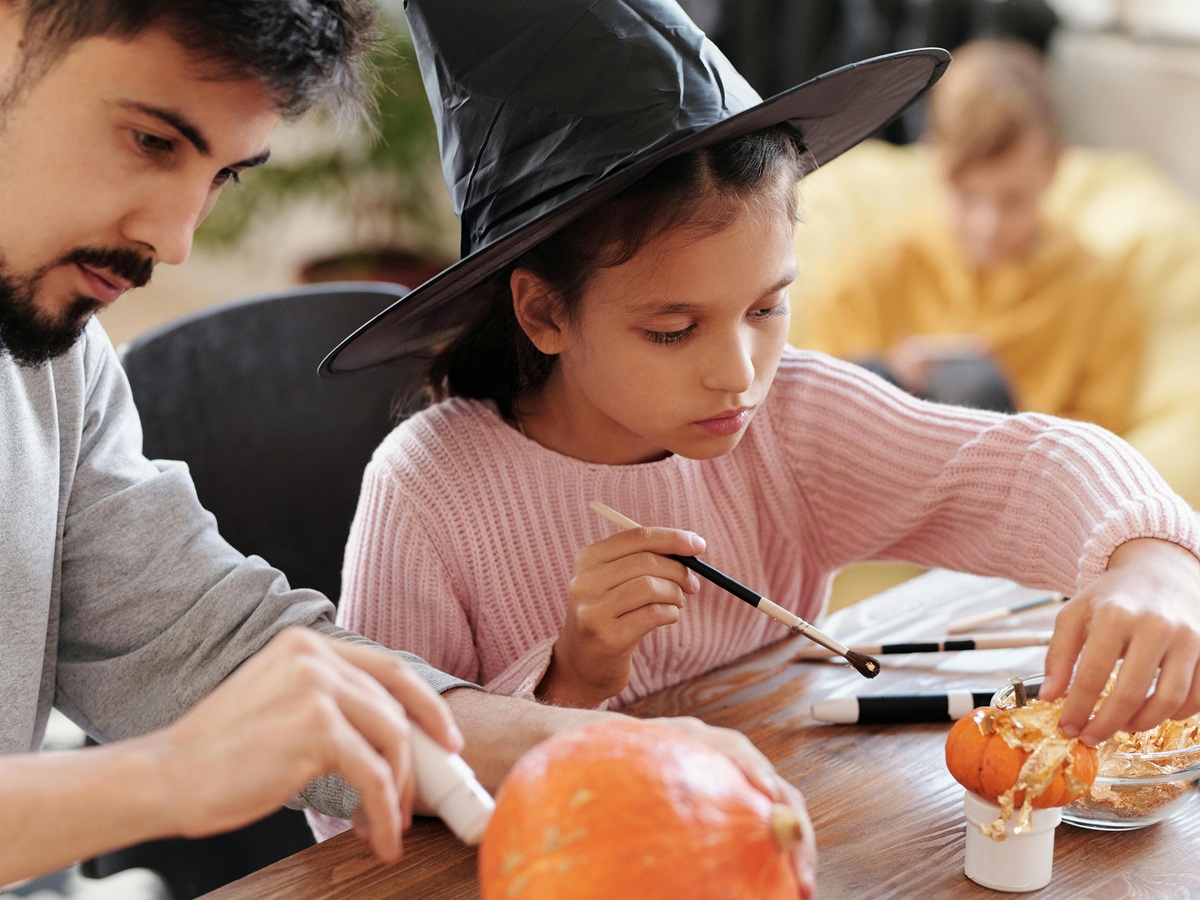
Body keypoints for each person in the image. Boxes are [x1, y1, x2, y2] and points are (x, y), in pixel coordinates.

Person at [311, 0, 1200, 845]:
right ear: (544, 315)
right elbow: (360, 801)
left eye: (768, 309)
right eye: (672, 329)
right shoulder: (428, 490)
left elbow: (1020, 467)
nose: (738, 375)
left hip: (784, 838)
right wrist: (569, 680)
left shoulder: (793, 418)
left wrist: (1152, 563)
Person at [0, 1, 814, 891]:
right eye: (152, 141)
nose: (175, 238)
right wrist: (169, 779)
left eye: (223, 176)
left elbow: (200, 643)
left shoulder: (59, 364)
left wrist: (604, 747)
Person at [797, 39, 1145, 433]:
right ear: (933, 159)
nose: (988, 225)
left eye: (1013, 200)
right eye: (966, 197)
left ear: (1054, 167)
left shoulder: (1101, 294)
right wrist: (892, 382)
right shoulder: (867, 279)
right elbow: (814, 422)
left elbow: (1105, 448)